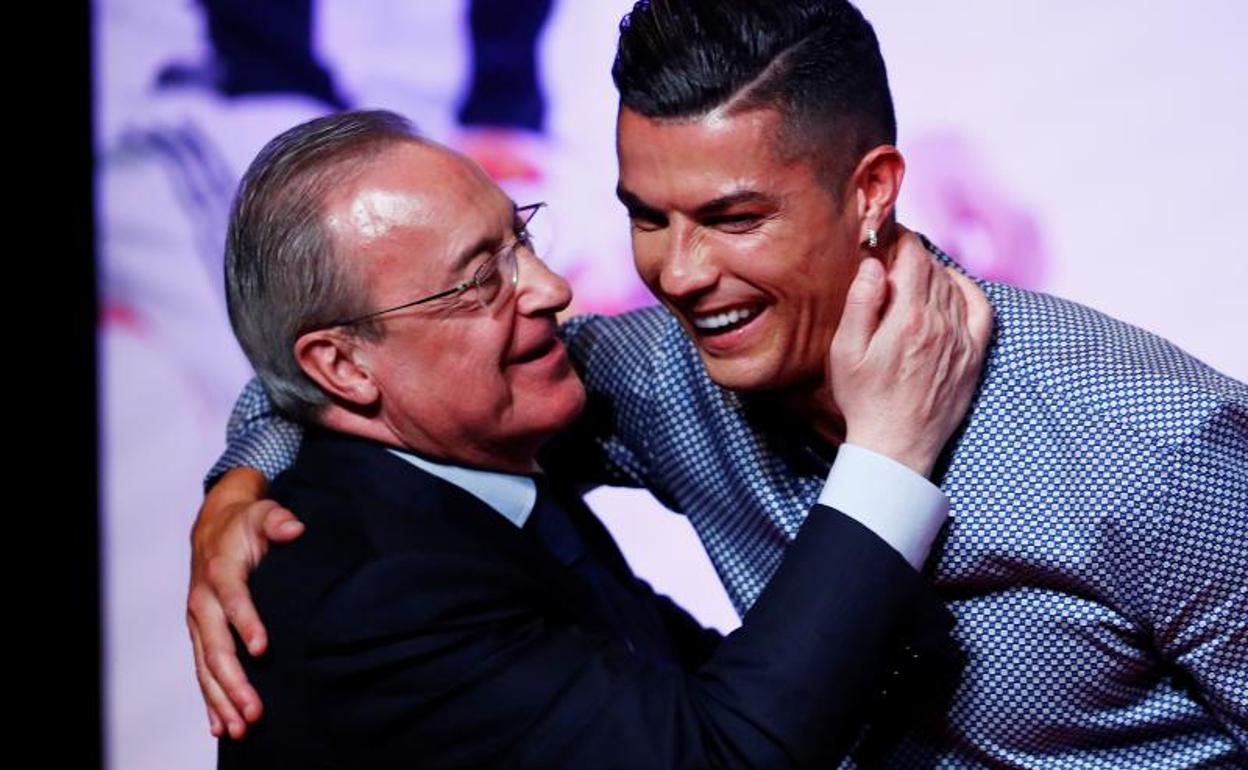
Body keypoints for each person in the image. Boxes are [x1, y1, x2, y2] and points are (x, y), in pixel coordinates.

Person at [192, 2, 1248, 767]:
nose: (681, 274)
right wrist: (237, 489)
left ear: (872, 190)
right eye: (648, 217)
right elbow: (353, 395)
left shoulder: (1154, 445)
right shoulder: (665, 379)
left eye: (734, 219)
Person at [208, 108, 989, 768]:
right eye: (480, 280)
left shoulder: (472, 473)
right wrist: (887, 453)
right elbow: (722, 754)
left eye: (521, 240)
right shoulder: (375, 598)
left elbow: (685, 693)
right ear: (343, 365)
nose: (551, 289)